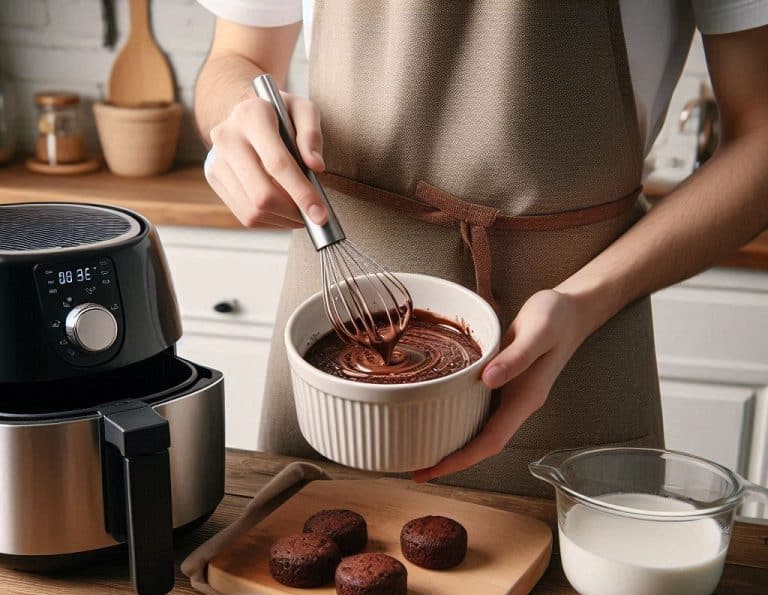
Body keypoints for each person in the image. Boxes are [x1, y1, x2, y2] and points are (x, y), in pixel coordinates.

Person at [194, 0, 768, 496]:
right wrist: (241, 116)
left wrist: (584, 302)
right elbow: (235, 60)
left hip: (572, 334)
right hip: (334, 309)